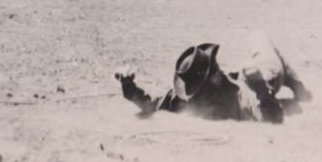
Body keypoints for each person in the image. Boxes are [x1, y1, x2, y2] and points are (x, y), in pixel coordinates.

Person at [114, 31, 312, 124]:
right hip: (264, 80)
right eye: (215, 67)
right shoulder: (244, 99)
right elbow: (271, 115)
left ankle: (295, 85)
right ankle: (298, 87)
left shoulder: (186, 102)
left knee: (255, 56)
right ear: (215, 76)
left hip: (251, 84)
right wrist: (258, 81)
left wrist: (128, 86)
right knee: (257, 37)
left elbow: (150, 104)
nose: (217, 67)